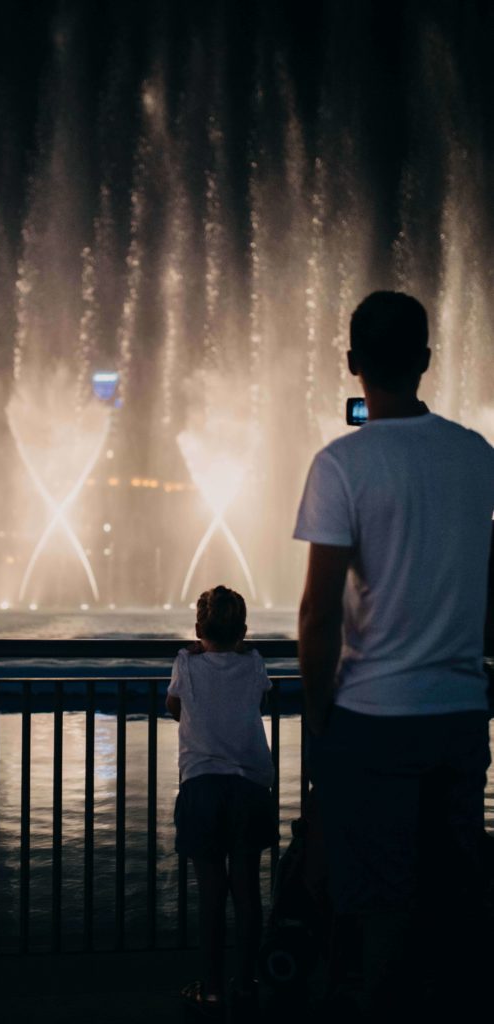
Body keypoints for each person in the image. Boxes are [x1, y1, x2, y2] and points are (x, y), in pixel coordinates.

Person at [293, 290, 494, 1018]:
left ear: (351, 364)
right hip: (460, 716)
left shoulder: (342, 464)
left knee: (373, 917)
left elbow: (318, 614)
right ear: (426, 361)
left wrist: (320, 719)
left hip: (373, 718)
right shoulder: (477, 456)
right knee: (451, 907)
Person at [166, 585, 277, 1019]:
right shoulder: (253, 663)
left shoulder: (185, 663)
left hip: (202, 788)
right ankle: (247, 983)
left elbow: (175, 708)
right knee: (248, 891)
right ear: (244, 632)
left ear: (197, 629)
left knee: (211, 894)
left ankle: (211, 989)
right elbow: (259, 698)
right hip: (250, 787)